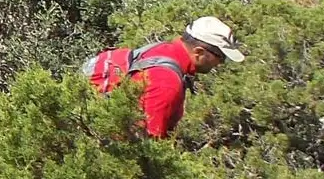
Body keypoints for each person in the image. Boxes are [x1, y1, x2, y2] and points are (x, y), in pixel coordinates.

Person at [88, 16, 244, 138]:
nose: (221, 63)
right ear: (199, 52)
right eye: (221, 57)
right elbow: (151, 146)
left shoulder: (163, 49)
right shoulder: (167, 84)